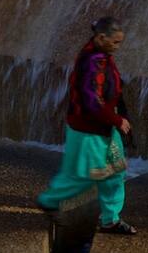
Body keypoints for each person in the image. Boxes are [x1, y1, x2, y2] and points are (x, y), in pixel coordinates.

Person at [37, 17, 136, 235]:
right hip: (88, 130)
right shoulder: (93, 62)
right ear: (101, 38)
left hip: (103, 128)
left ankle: (110, 219)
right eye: (115, 42)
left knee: (115, 172)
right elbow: (92, 101)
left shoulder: (102, 56)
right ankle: (49, 201)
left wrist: (117, 117)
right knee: (84, 175)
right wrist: (117, 120)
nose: (118, 47)